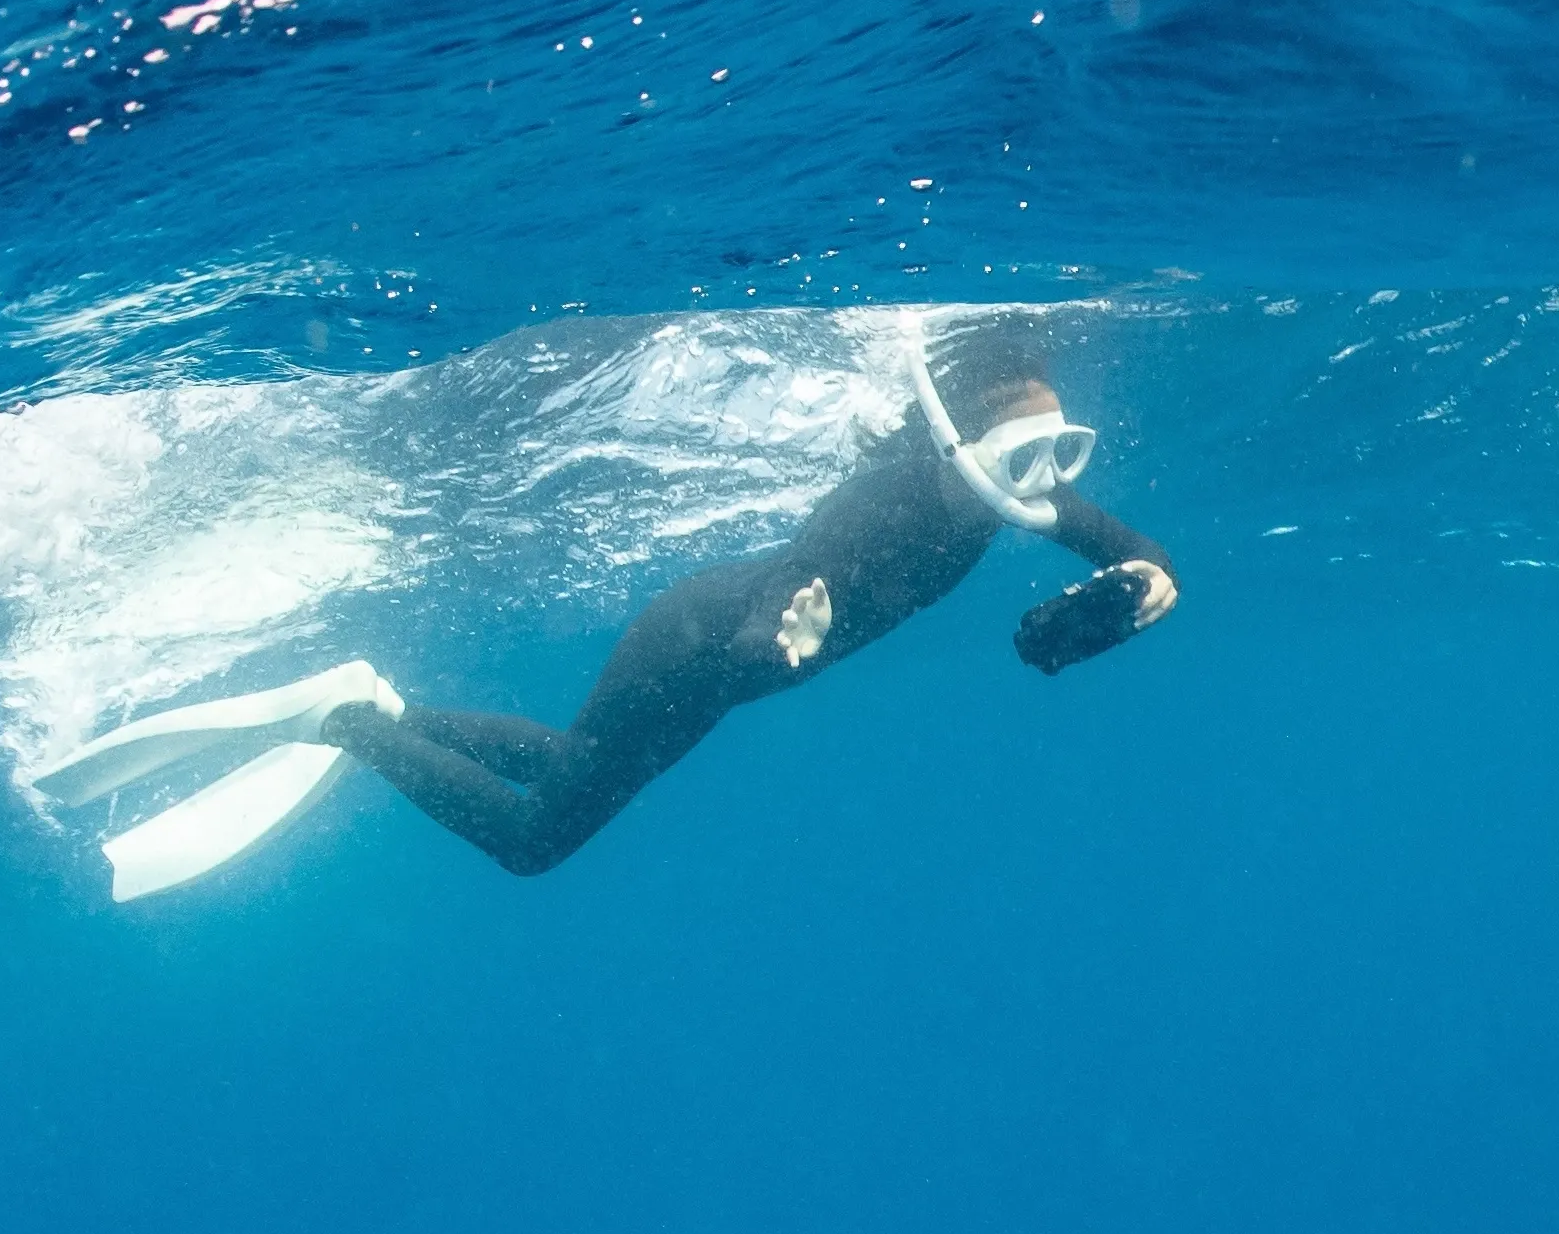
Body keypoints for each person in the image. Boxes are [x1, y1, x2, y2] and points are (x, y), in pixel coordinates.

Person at [315, 320, 1183, 876]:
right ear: (959, 445)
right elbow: (760, 626)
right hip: (689, 650)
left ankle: (390, 708)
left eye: (1064, 452)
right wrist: (781, 645)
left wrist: (1148, 577)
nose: (1048, 483)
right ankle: (343, 725)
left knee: (571, 760)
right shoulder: (877, 504)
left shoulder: (1021, 489)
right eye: (1027, 458)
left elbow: (1130, 546)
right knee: (533, 841)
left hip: (716, 676)